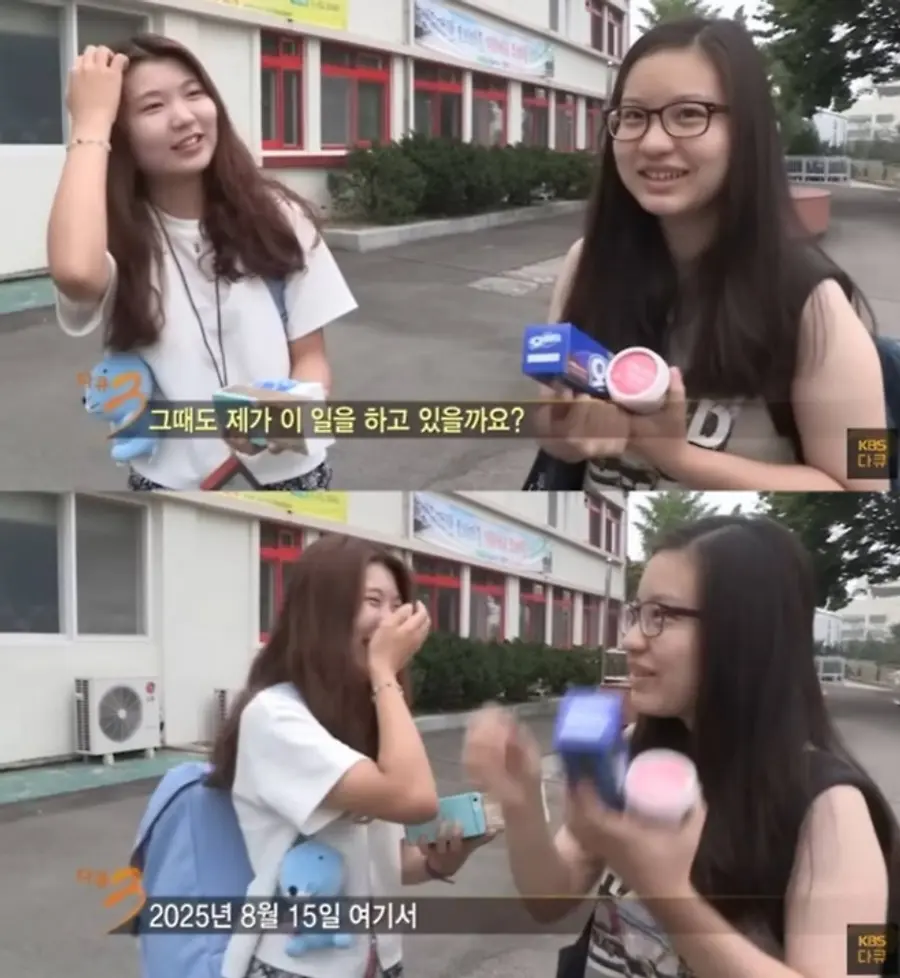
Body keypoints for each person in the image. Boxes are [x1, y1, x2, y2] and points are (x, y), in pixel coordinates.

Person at [464, 515, 899, 978]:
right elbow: (549, 899)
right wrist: (523, 803)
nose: (630, 639)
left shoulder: (833, 810)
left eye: (662, 616)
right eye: (638, 613)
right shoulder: (634, 750)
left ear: (743, 633)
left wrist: (667, 893)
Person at [530, 18, 887, 493]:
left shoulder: (818, 305)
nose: (653, 142)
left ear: (747, 132)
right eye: (633, 116)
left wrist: (675, 457)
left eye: (688, 114)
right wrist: (565, 434)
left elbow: (867, 482)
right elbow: (551, 423)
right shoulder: (586, 263)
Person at [48, 35, 356, 491]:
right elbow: (75, 272)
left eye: (194, 93)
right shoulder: (111, 236)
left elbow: (310, 359)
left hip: (291, 476)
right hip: (172, 484)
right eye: (153, 107)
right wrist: (90, 121)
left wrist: (283, 416)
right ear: (120, 133)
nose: (184, 116)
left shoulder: (278, 217)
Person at [207, 534, 496, 978]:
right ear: (323, 614)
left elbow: (386, 861)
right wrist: (384, 672)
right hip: (297, 968)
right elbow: (415, 798)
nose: (390, 619)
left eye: (397, 605)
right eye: (373, 601)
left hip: (380, 962)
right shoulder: (275, 717)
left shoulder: (365, 716)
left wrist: (439, 862)